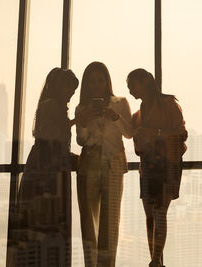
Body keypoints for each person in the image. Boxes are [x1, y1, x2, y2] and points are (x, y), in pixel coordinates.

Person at [14, 68, 79, 267]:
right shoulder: (52, 106)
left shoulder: (49, 105)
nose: (70, 94)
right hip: (47, 173)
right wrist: (75, 122)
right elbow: (52, 138)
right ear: (59, 87)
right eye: (69, 89)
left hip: (44, 169)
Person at [127, 68, 187, 267]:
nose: (129, 90)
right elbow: (137, 146)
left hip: (168, 164)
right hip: (148, 165)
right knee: (150, 215)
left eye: (132, 84)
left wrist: (156, 133)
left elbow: (181, 133)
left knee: (159, 211)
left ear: (145, 82)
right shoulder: (137, 115)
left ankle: (155, 260)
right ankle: (156, 260)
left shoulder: (168, 104)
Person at [75, 61, 133, 267]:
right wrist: (82, 122)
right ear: (86, 84)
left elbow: (130, 133)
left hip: (113, 163)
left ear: (107, 81)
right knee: (88, 224)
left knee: (110, 223)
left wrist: (115, 117)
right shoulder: (81, 107)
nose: (96, 85)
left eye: (100, 80)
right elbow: (80, 140)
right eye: (91, 82)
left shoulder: (121, 103)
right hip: (88, 163)